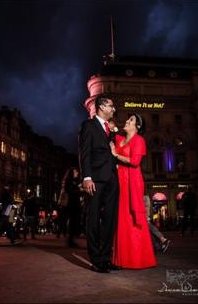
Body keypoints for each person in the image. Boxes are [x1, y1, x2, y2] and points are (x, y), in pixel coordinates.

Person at [110, 113, 157, 269]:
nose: (127, 121)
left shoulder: (139, 140)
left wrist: (115, 155)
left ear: (137, 127)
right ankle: (122, 258)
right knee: (122, 218)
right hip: (120, 181)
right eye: (128, 118)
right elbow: (109, 131)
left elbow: (135, 162)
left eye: (131, 120)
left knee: (132, 215)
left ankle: (138, 258)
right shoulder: (120, 139)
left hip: (132, 181)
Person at [78, 95, 119, 273]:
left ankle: (106, 257)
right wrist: (86, 177)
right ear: (101, 107)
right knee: (93, 218)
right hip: (95, 179)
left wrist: (115, 132)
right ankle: (96, 259)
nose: (114, 109)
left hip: (111, 179)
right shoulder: (89, 125)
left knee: (110, 219)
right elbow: (84, 152)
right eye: (111, 106)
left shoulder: (109, 129)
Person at [61, 167, 83, 247]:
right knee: (72, 222)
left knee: (74, 222)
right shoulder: (69, 181)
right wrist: (79, 190)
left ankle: (71, 239)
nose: (77, 173)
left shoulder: (75, 181)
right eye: (75, 172)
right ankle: (70, 240)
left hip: (74, 204)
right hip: (71, 204)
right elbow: (69, 191)